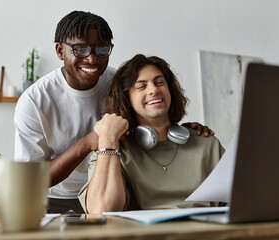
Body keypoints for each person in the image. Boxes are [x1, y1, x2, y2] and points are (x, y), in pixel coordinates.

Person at [14, 11, 213, 214]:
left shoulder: (117, 83)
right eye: (80, 49)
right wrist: (89, 142)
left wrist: (180, 131)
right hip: (53, 198)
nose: (92, 59)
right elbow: (31, 180)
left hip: (112, 187)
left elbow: (150, 122)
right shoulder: (34, 101)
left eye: (101, 49)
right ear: (60, 51)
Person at [79, 54, 224, 213]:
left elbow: (241, 203)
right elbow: (101, 211)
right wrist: (107, 139)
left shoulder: (207, 145)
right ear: (126, 99)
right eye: (141, 86)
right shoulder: (113, 151)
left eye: (159, 82)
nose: (154, 90)